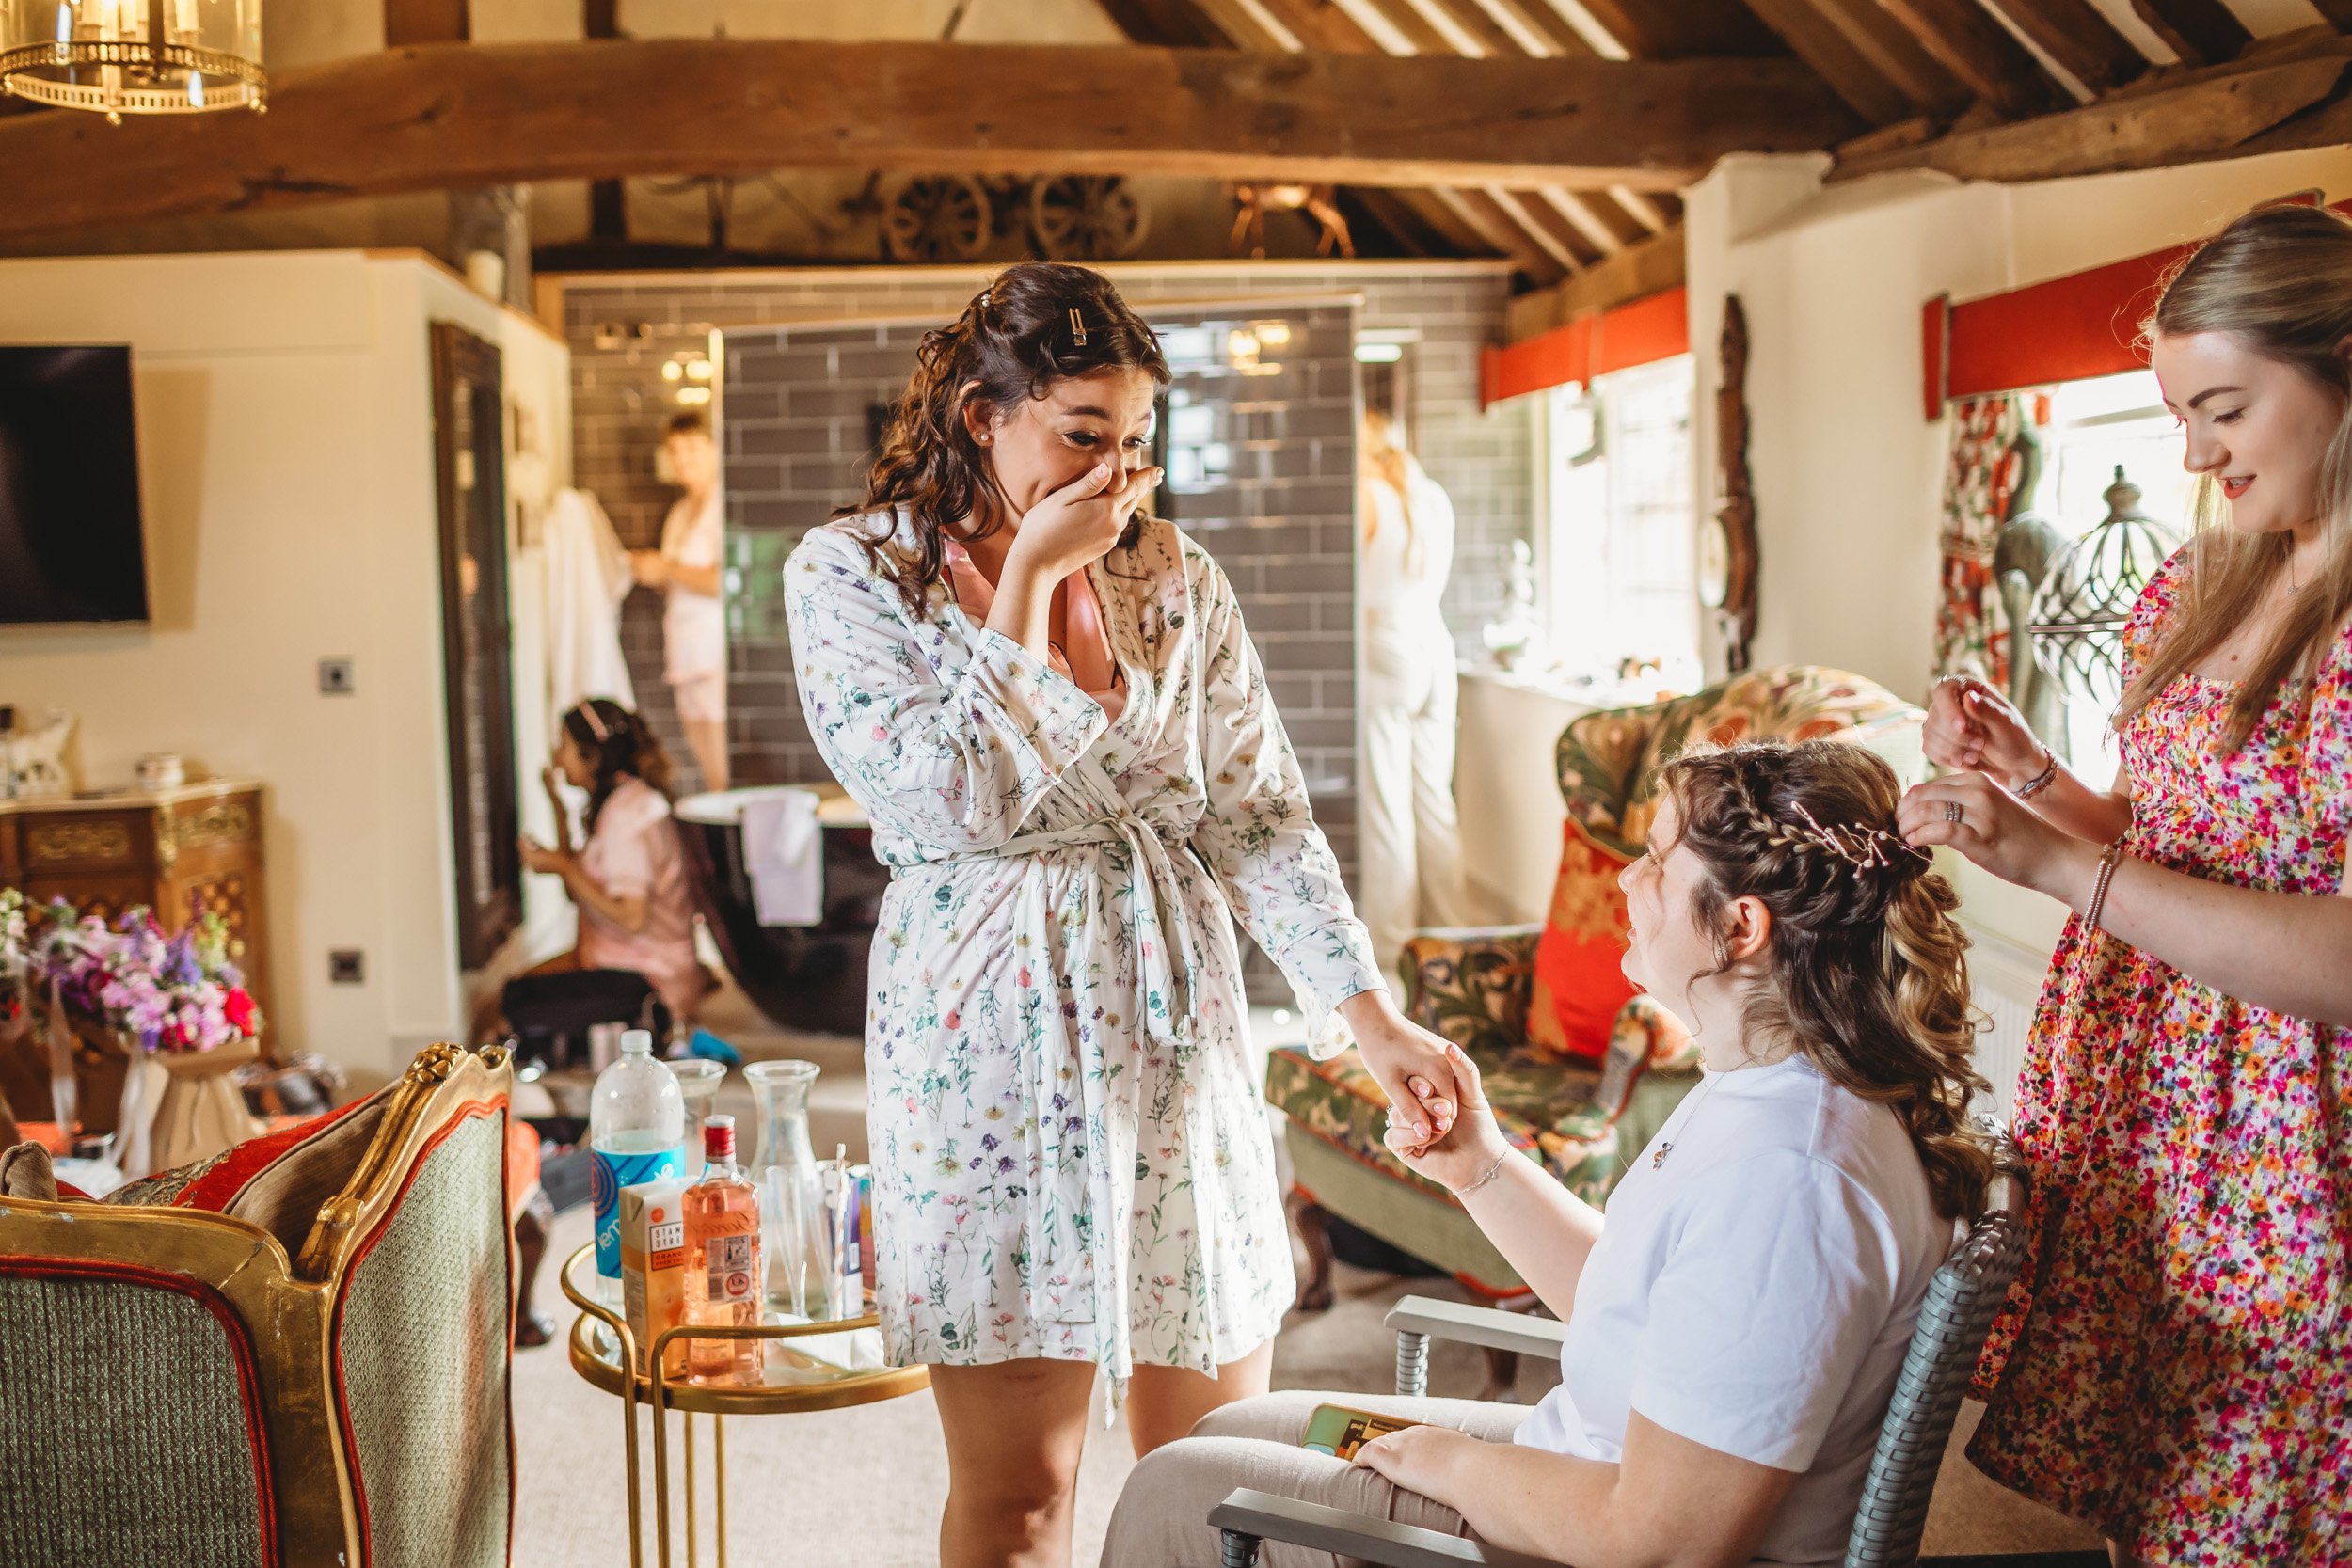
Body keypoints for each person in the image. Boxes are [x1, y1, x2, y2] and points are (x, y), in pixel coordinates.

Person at [781, 261, 1467, 1568]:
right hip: (982, 1051)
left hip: (1177, 1038)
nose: (1115, 470)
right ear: (984, 414)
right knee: (1020, 1495)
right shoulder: (855, 573)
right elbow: (950, 797)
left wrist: (1371, 1021)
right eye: (1082, 433)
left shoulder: (1174, 574)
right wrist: (1031, 581)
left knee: (1219, 1477)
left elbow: (1259, 814)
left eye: (1137, 438)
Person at [1104, 739, 1988, 1568]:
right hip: (1575, 1462)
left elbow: (1659, 1541)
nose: (1625, 881)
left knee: (1172, 1488)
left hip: (1585, 1525)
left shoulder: (1793, 1179)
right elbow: (1632, 1302)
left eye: (1655, 861)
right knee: (1238, 1423)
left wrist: (1445, 1461)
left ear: (1740, 926)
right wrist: (1479, 1164)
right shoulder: (1765, 1086)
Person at [1900, 200, 2352, 1567]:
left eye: (2224, 406)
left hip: (2294, 1147)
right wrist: (2038, 779)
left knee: (2260, 1514)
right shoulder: (2206, 577)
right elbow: (2180, 834)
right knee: (2158, 1502)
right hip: (2155, 1129)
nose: (2195, 449)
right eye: (2176, 411)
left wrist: (2060, 864)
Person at [1357, 406, 1470, 970]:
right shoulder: (1430, 494)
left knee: (1386, 808)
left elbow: (1349, 584)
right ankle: (1455, 942)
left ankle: (1393, 951)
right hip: (1435, 646)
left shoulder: (1366, 495)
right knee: (1433, 802)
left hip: (1385, 648)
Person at [518, 697, 710, 1028]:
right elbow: (578, 891)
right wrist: (558, 809)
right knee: (522, 989)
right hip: (630, 967)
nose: (557, 757)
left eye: (563, 745)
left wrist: (563, 866)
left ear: (591, 757)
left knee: (510, 1005)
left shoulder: (626, 819)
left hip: (649, 982)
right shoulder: (625, 801)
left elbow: (632, 917)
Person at [633, 409, 729, 792]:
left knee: (723, 766)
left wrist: (667, 568)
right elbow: (677, 577)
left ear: (714, 448)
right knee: (705, 766)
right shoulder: (678, 512)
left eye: (691, 447)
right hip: (684, 651)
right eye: (674, 451)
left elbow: (726, 582)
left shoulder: (725, 506)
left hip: (715, 653)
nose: (682, 459)